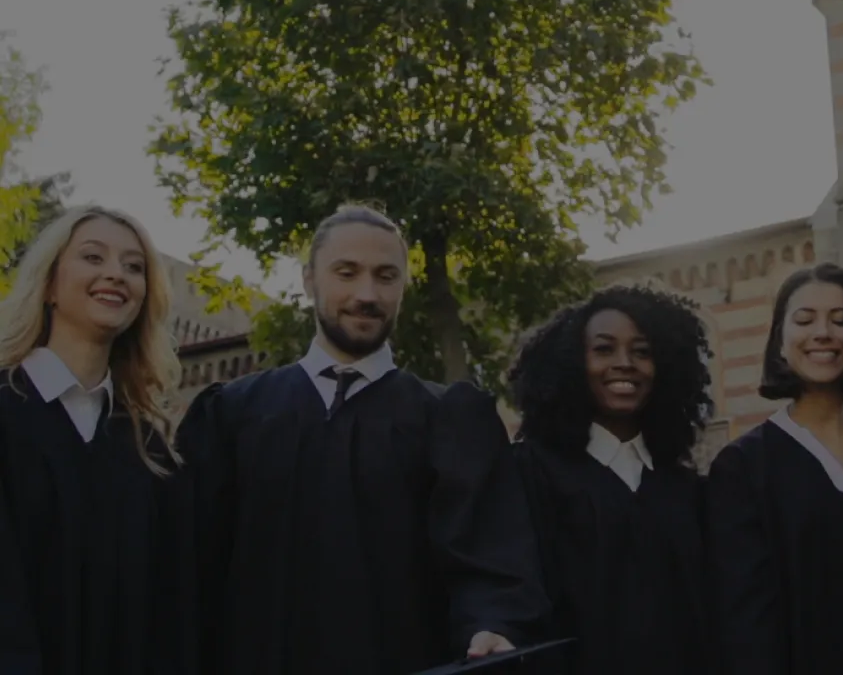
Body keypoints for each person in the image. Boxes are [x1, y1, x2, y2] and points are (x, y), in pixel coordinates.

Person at [178, 203, 550, 675]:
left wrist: (492, 625)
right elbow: (190, 573)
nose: (367, 294)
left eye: (386, 276)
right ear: (310, 279)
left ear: (404, 288)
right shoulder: (232, 415)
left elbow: (491, 563)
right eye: (346, 273)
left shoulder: (450, 422)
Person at [0, 204, 194, 675]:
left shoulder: (148, 451)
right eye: (93, 257)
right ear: (49, 284)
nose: (115, 275)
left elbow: (166, 614)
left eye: (133, 267)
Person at [507, 284, 713, 675]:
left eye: (642, 352)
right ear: (571, 363)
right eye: (603, 349)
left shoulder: (684, 489)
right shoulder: (531, 474)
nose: (625, 363)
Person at [705, 263, 843, 675]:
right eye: (804, 320)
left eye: (840, 320)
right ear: (780, 341)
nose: (823, 333)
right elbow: (746, 624)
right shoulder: (742, 470)